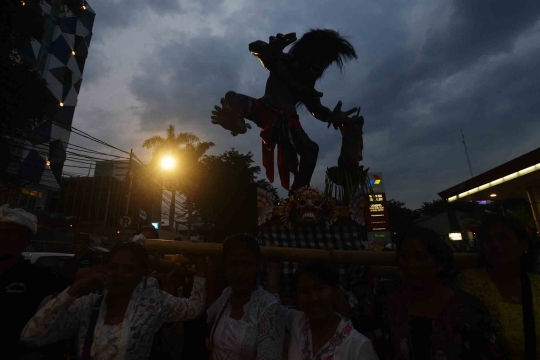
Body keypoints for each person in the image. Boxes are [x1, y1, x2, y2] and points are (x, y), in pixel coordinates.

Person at [21, 242, 207, 360]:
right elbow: (31, 336)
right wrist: (74, 289)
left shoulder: (152, 302)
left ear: (141, 274)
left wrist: (200, 271)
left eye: (128, 269)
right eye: (114, 267)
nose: (119, 274)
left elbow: (194, 308)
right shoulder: (88, 304)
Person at [355, 226, 503, 359]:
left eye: (419, 257)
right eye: (404, 257)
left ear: (439, 264)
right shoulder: (383, 300)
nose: (410, 264)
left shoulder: (468, 310)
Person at [455, 216, 540, 359]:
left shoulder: (537, 284)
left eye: (502, 238)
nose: (495, 245)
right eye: (488, 240)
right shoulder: (470, 282)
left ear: (523, 245)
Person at [267, 259, 378, 359]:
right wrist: (273, 274)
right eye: (305, 291)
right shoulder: (295, 322)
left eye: (320, 289)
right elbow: (271, 310)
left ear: (335, 292)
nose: (313, 298)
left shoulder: (358, 346)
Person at [0, 204, 67, 359]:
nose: (2, 237)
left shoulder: (39, 277)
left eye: (11, 233)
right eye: (0, 231)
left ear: (27, 240)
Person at [206, 233, 286, 359]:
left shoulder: (269, 308)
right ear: (224, 266)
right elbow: (207, 315)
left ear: (257, 265)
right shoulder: (226, 294)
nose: (239, 273)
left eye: (246, 264)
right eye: (233, 264)